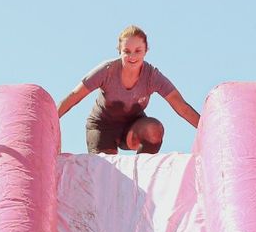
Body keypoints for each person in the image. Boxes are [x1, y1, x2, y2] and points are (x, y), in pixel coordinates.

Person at [57, 25, 201, 154]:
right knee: (106, 169)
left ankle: (142, 169)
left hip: (131, 127)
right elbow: (75, 96)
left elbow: (181, 107)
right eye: (127, 51)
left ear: (146, 51)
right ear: (119, 51)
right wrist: (50, 119)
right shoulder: (107, 71)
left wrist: (207, 129)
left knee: (154, 129)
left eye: (138, 51)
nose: (132, 56)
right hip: (102, 126)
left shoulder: (152, 76)